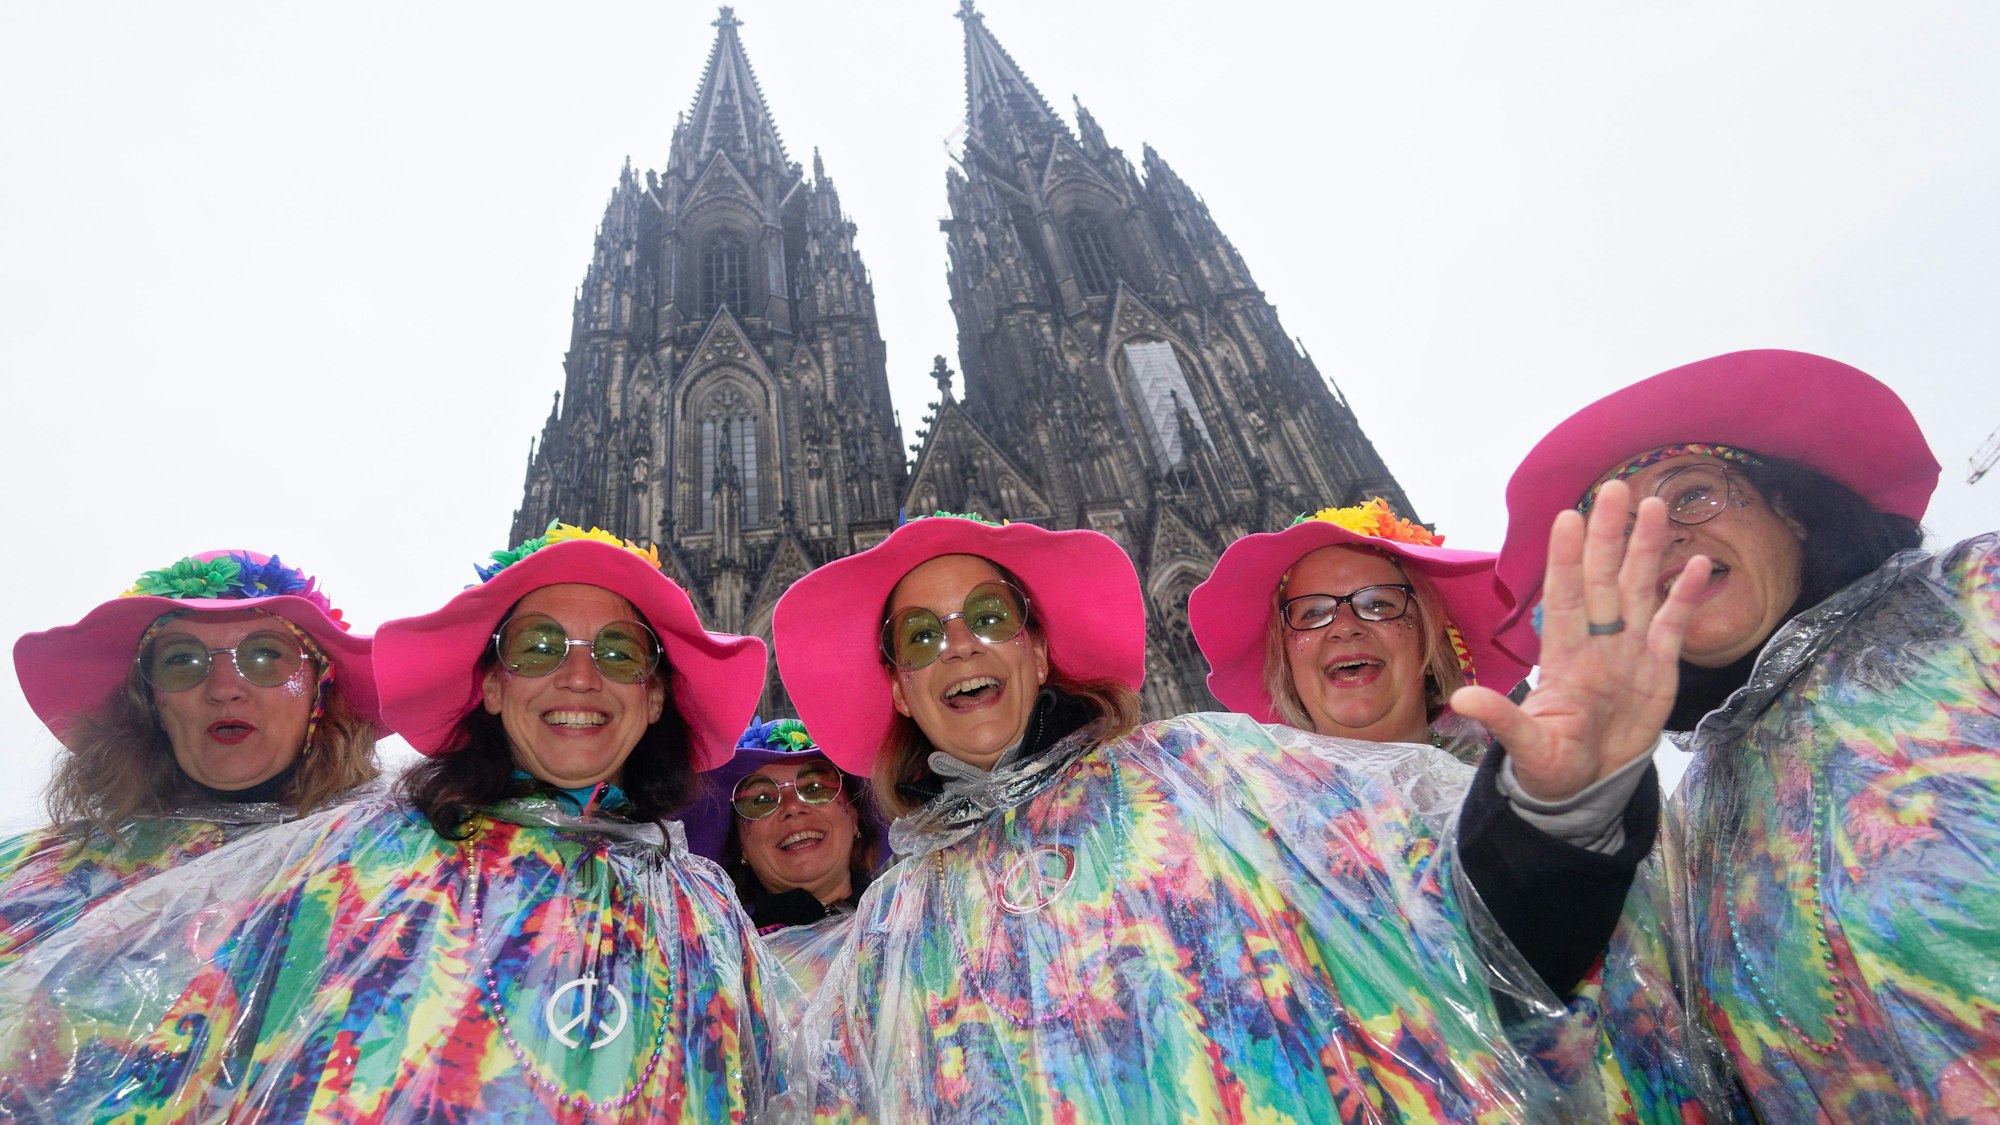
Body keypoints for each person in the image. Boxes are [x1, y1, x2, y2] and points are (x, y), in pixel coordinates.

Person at [768, 510, 1711, 1120]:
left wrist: (1560, 810)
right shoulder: (890, 930)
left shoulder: (1206, 771)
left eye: (989, 616)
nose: (959, 647)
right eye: (921, 635)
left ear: (1039, 647)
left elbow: (1458, 924)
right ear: (900, 686)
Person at [0, 524, 787, 1121]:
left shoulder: (705, 906)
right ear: (490, 684)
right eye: (537, 645)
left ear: (655, 694)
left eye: (618, 652)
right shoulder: (358, 855)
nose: (578, 674)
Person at [1492, 349, 1995, 1120]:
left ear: (1790, 507)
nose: (1660, 537)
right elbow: (1613, 1073)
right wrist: (1554, 836)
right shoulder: (1684, 838)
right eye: (1620, 535)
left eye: (1691, 493)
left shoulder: (1974, 601)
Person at [1, 549, 379, 970]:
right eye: (182, 659)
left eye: (265, 655)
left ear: (320, 689)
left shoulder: (392, 857)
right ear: (150, 702)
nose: (223, 689)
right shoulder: (38, 878)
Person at [1188, 497, 1530, 761]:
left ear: (1433, 638)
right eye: (1313, 613)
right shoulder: (1235, 815)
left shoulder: (1519, 794)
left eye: (1378, 604)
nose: (1345, 627)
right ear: (1285, 662)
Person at [687, 717, 878, 933]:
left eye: (814, 788)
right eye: (761, 800)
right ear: (740, 844)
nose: (792, 807)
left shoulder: (906, 918)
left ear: (854, 817)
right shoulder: (724, 952)